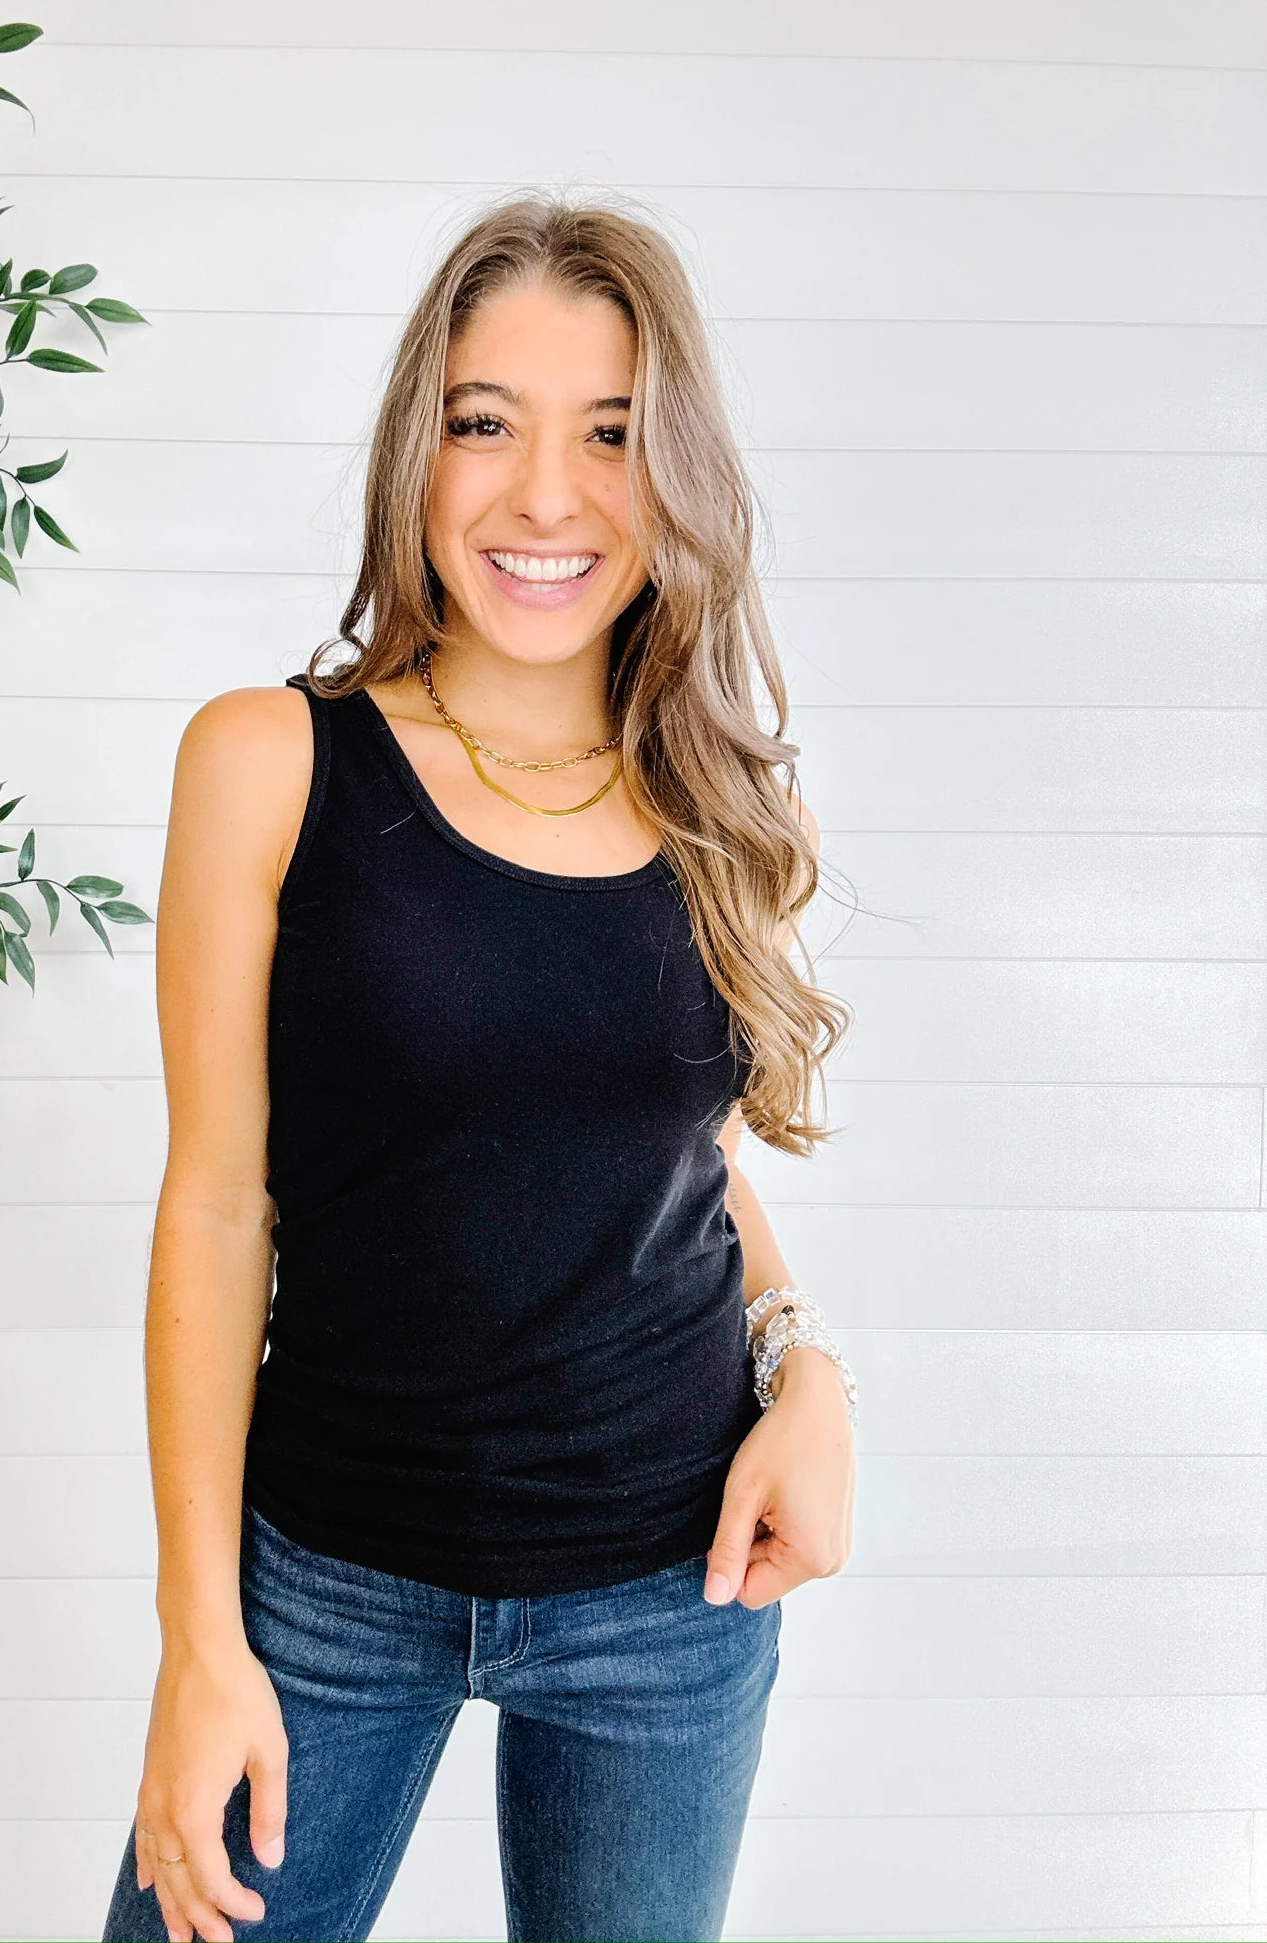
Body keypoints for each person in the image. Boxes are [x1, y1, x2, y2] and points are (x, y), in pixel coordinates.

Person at [101, 193, 857, 1943]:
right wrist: (200, 1641)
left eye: (609, 435)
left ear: (675, 476)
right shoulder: (270, 763)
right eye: (485, 423)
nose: (545, 497)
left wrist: (810, 1374)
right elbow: (214, 1208)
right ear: (414, 456)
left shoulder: (725, 802)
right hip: (330, 1581)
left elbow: (679, 1164)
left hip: (675, 1591)